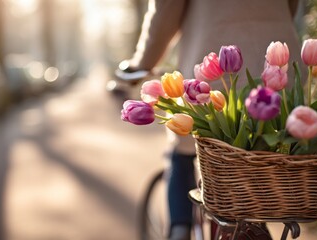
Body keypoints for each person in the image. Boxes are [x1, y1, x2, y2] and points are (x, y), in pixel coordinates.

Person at [122, 0, 304, 239]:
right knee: (263, 153)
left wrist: (141, 64)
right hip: (283, 70)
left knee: (182, 153)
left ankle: (179, 231)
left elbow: (165, 13)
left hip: (212, 73)